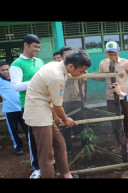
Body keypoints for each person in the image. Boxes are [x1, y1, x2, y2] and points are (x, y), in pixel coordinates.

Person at [23, 49, 91, 178]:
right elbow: (57, 105)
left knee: (60, 144)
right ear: (71, 66)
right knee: (46, 153)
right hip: (37, 113)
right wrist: (66, 119)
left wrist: (55, 115)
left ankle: (66, 175)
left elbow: (51, 97)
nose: (83, 74)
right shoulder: (57, 76)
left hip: (45, 109)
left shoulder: (58, 66)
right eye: (81, 71)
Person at [10, 34, 44, 178]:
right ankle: (36, 167)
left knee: (45, 133)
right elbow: (16, 86)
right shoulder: (17, 64)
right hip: (29, 104)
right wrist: (37, 81)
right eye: (35, 46)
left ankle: (47, 160)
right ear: (26, 45)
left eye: (39, 47)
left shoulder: (40, 61)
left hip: (44, 102)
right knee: (33, 136)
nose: (37, 49)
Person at [98, 41, 128, 152]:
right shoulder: (103, 64)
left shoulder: (125, 63)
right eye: (110, 54)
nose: (113, 56)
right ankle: (118, 143)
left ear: (119, 51)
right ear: (106, 53)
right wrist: (87, 75)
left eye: (115, 53)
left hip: (124, 96)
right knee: (114, 120)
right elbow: (101, 78)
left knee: (127, 119)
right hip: (110, 97)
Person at [0, 61, 28, 155]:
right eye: (2, 70)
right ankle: (18, 147)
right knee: (13, 130)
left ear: (10, 69)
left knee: (27, 128)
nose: (5, 71)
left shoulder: (17, 78)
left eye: (7, 69)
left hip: (23, 108)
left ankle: (32, 144)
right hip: (9, 110)